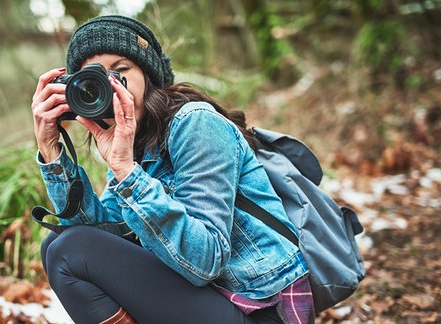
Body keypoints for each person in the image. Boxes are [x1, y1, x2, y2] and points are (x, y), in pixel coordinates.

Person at [31, 15, 315, 323]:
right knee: (56, 245)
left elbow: (207, 261)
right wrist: (52, 152)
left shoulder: (195, 124)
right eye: (95, 79)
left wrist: (128, 172)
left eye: (121, 70)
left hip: (259, 308)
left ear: (148, 75)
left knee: (68, 250)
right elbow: (102, 236)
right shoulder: (133, 144)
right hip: (209, 302)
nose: (112, 87)